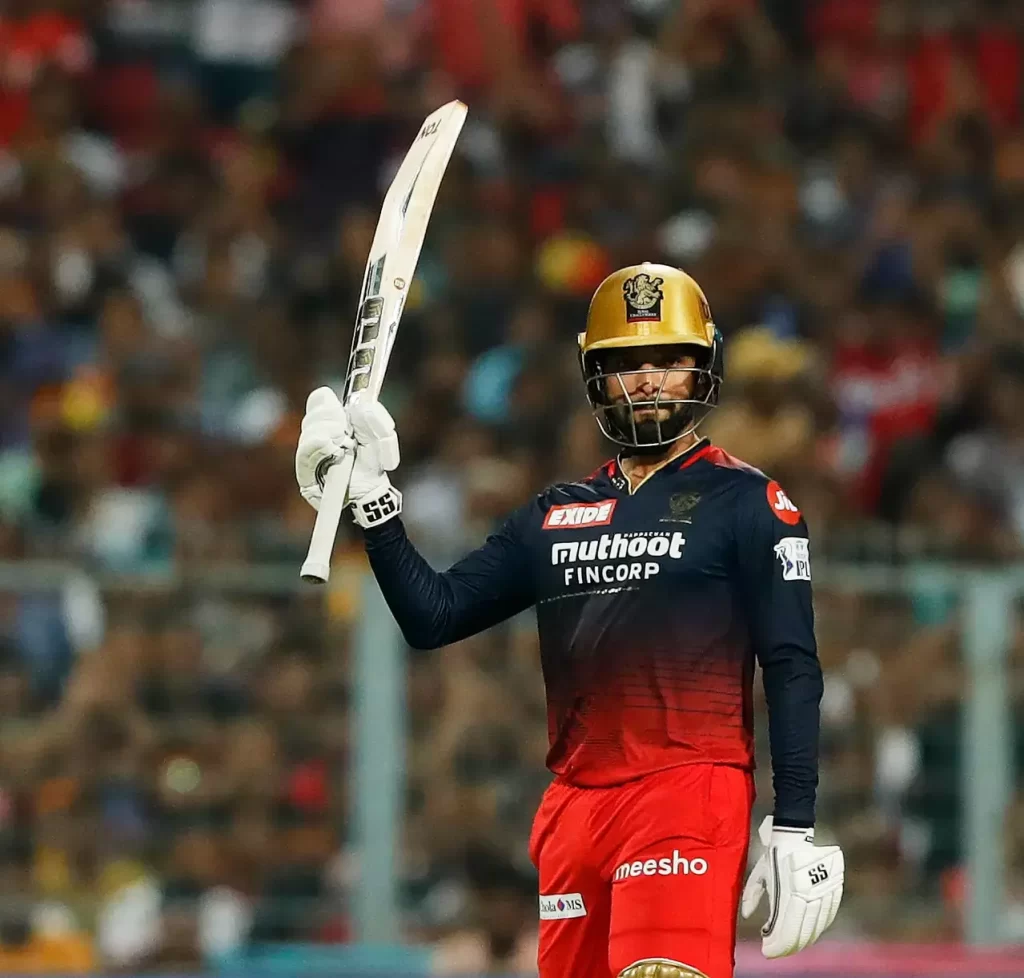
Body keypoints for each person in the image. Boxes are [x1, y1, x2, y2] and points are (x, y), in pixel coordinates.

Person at [295, 264, 845, 978]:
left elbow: (793, 665)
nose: (648, 380)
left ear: (703, 367)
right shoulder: (553, 514)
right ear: (596, 376)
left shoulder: (750, 502)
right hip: (573, 809)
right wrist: (373, 503)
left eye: (669, 360)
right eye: (627, 363)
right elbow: (434, 617)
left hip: (685, 791)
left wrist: (794, 823)